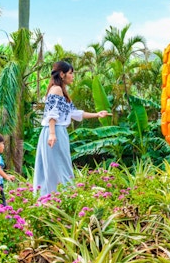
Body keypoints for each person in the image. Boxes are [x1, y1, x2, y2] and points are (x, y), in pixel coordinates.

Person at [33, 61, 111, 197]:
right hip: (54, 131)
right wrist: (52, 133)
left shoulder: (62, 92)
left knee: (60, 166)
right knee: (58, 167)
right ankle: (60, 197)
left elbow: (75, 113)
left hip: (58, 131)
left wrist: (97, 114)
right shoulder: (56, 89)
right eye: (70, 73)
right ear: (62, 74)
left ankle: (59, 198)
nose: (73, 76)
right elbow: (52, 113)